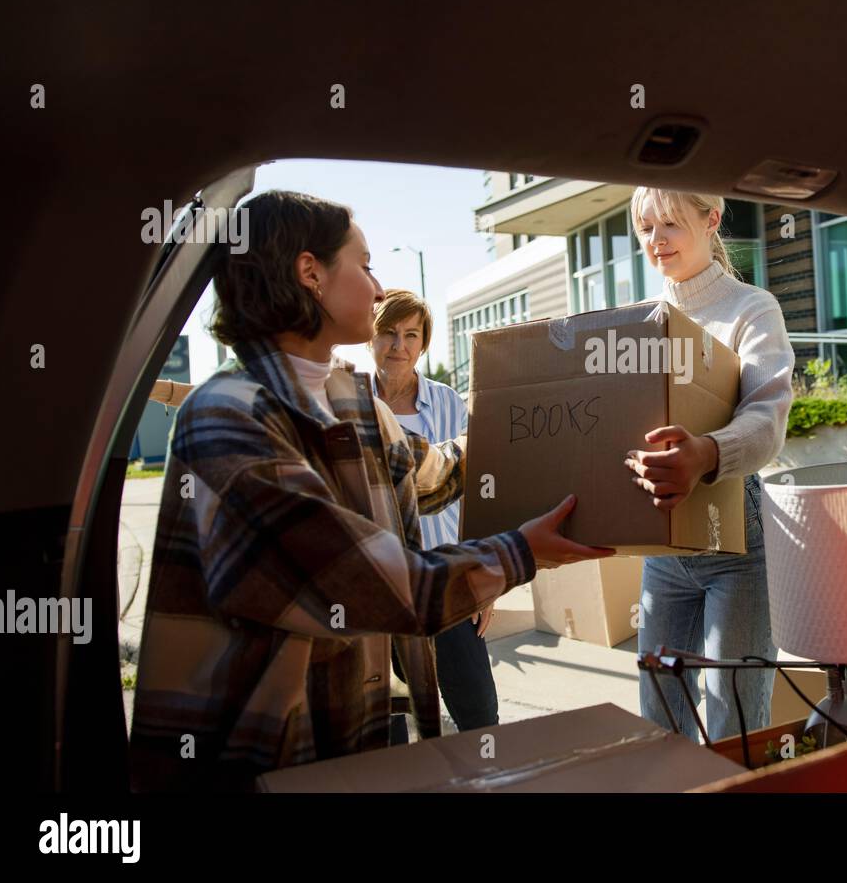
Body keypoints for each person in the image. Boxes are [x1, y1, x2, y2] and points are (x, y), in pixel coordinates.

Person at [128, 190, 611, 791]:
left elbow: (437, 473)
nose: (379, 288)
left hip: (357, 730)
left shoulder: (350, 401)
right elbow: (370, 586)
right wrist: (521, 552)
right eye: (365, 264)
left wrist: (565, 429)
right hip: (264, 756)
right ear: (311, 273)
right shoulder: (230, 417)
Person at [626, 187, 794, 743]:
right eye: (646, 228)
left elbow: (767, 418)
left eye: (670, 224)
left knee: (735, 713)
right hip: (663, 548)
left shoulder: (752, 308)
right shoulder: (641, 322)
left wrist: (707, 452)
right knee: (660, 709)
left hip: (738, 547)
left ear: (712, 219)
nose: (656, 240)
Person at [369, 288, 500, 731]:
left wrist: (488, 575)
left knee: (479, 715)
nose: (398, 346)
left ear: (423, 343)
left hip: (448, 581)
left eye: (410, 335)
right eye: (388, 333)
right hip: (380, 590)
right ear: (371, 337)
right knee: (389, 724)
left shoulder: (448, 402)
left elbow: (479, 491)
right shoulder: (350, 403)